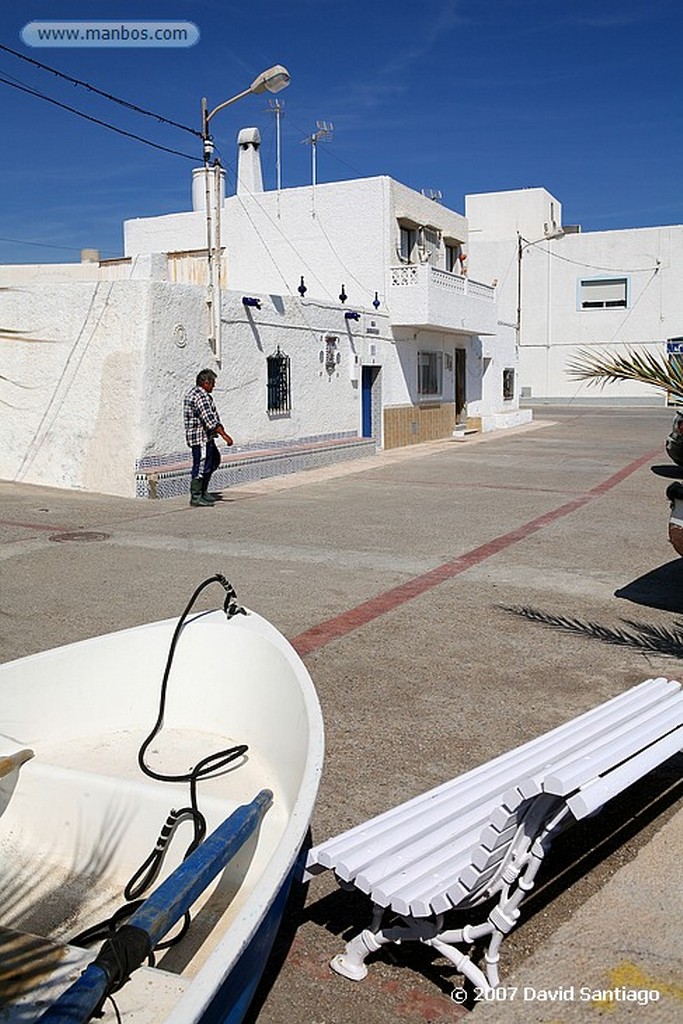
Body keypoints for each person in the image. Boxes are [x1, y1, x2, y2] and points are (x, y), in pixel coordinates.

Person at [183, 369, 233, 507]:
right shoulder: (200, 396)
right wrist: (224, 435)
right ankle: (196, 496)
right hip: (200, 438)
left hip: (207, 438)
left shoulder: (198, 394)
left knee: (214, 460)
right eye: (212, 383)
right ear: (205, 382)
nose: (214, 386)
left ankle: (204, 491)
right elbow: (209, 420)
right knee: (201, 465)